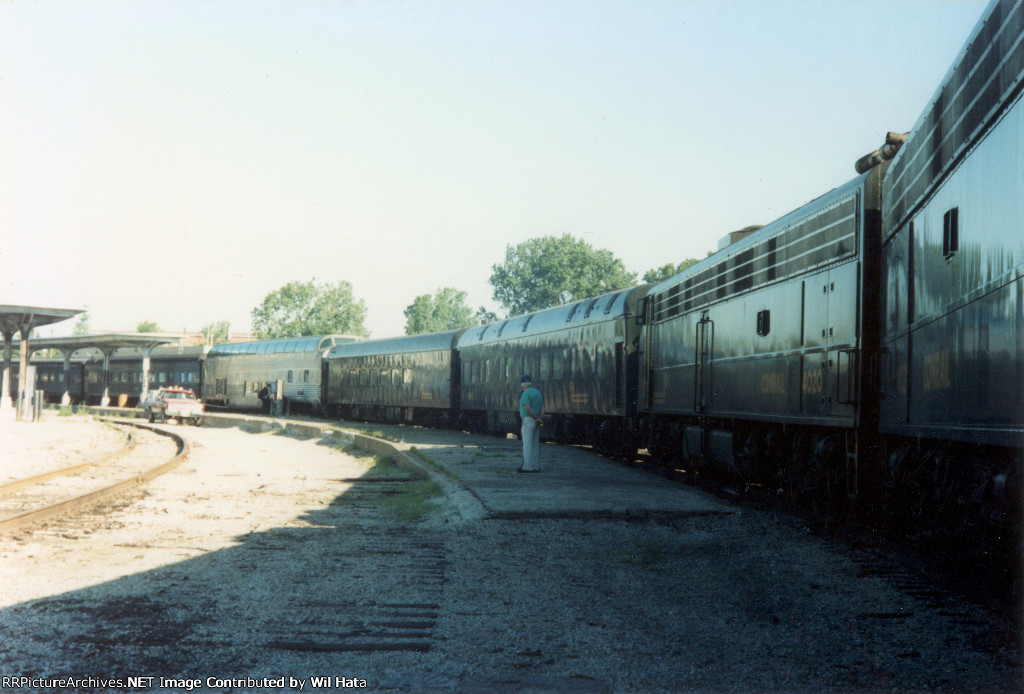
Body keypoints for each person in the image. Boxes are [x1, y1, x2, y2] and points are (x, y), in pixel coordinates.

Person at [518, 374, 544, 473]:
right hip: (537, 421)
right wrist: (539, 418)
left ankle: (527, 467)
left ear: (523, 385)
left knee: (527, 444)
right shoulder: (538, 393)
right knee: (535, 444)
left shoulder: (525, 393)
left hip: (528, 420)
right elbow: (543, 408)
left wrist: (535, 417)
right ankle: (536, 466)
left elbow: (527, 408)